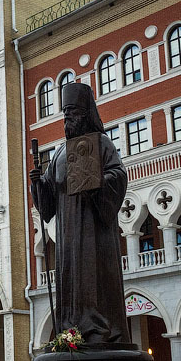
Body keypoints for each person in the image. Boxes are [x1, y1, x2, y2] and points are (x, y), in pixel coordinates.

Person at [30, 82, 130, 345]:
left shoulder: (102, 143)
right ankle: (71, 331)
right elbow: (48, 205)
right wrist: (38, 184)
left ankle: (98, 330)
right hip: (67, 234)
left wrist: (94, 183)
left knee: (94, 278)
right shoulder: (60, 153)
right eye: (65, 113)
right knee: (70, 281)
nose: (67, 118)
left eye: (72, 112)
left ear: (86, 113)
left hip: (94, 231)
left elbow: (118, 176)